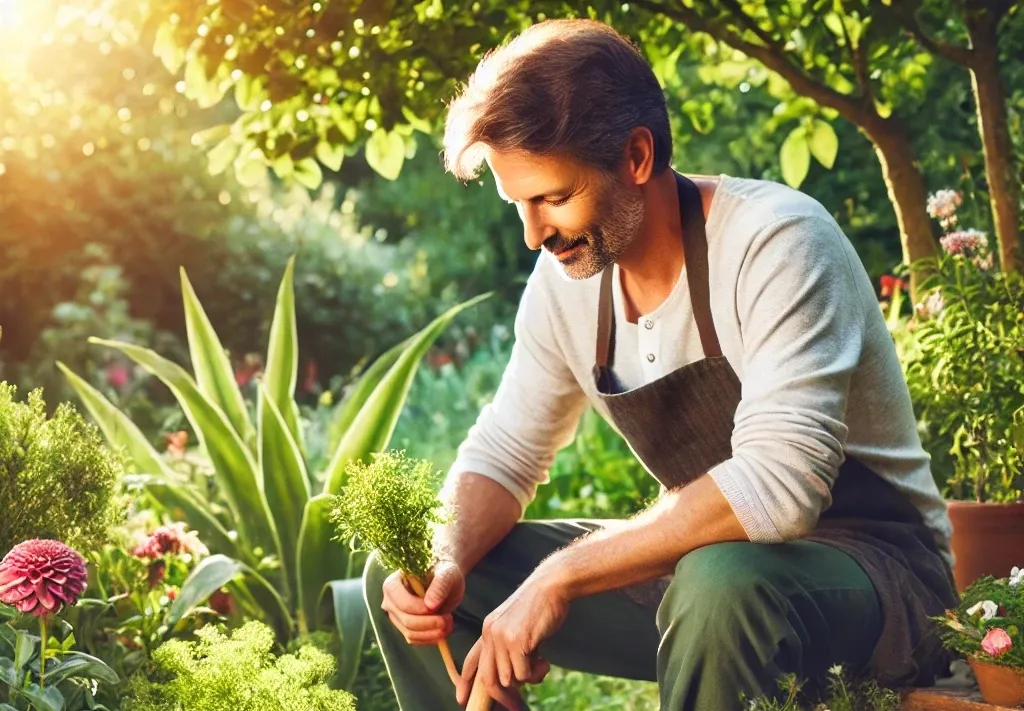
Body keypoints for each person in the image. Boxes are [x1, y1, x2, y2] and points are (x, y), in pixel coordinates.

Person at [363, 17, 957, 711]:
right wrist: (446, 556)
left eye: (552, 198)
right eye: (518, 203)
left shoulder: (776, 243)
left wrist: (561, 578)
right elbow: (505, 453)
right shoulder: (566, 286)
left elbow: (781, 484)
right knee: (410, 574)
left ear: (637, 156)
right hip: (706, 568)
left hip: (882, 577)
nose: (533, 235)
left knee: (718, 580)